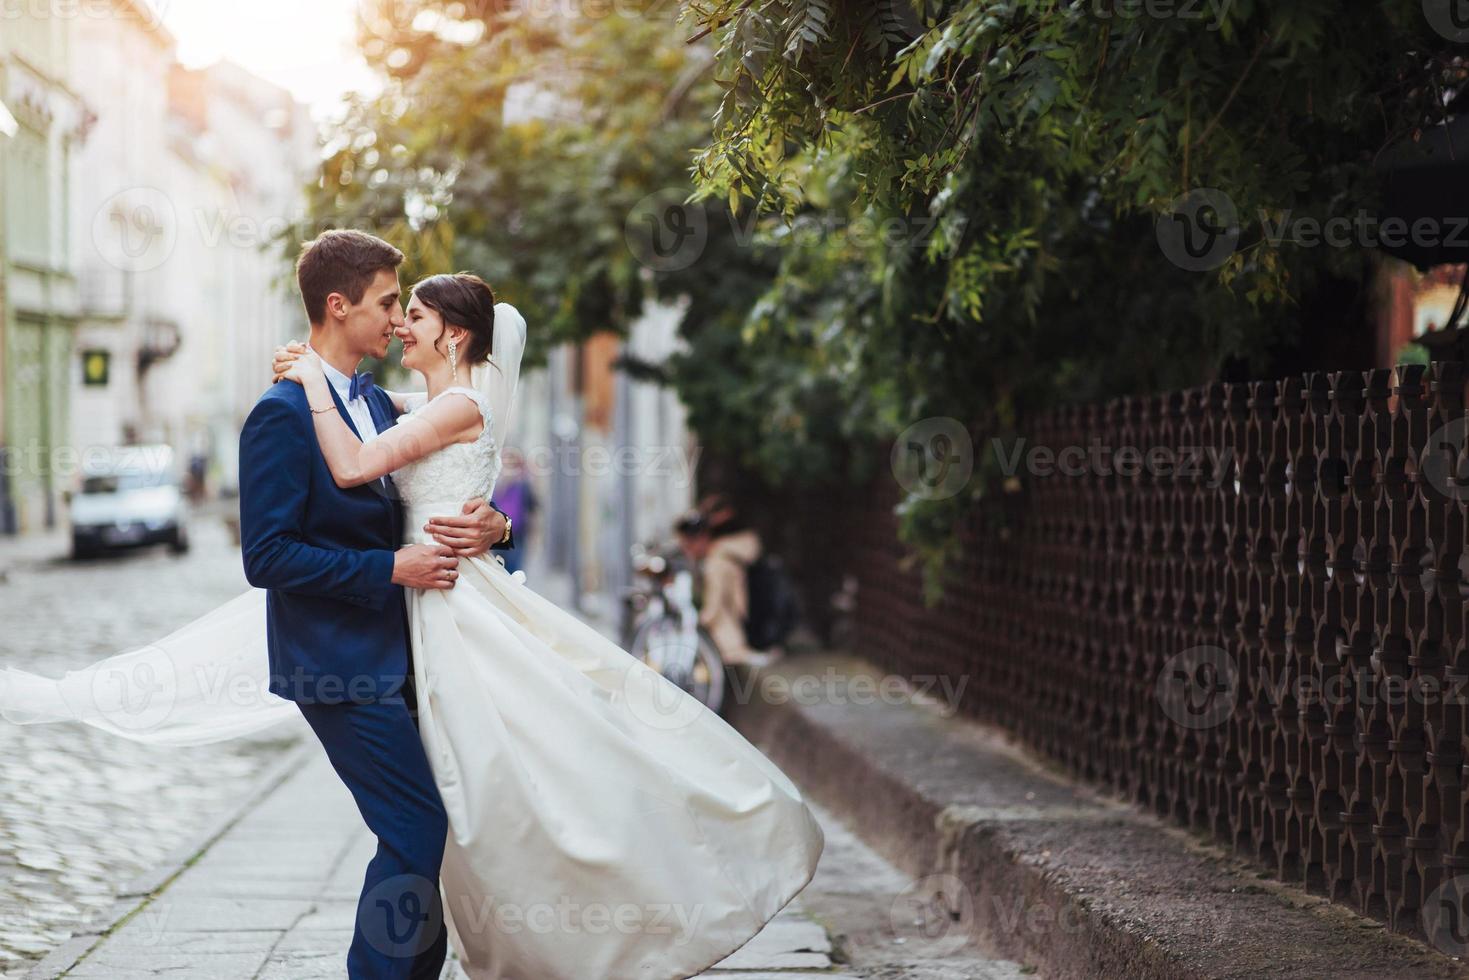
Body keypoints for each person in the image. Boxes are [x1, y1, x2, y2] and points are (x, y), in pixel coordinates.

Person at [0, 235, 825, 980]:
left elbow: (437, 475)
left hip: (411, 652)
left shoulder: (371, 400)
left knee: (445, 825)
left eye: (408, 307)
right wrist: (388, 566)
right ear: (340, 306)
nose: (398, 320)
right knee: (418, 827)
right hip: (337, 666)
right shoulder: (282, 415)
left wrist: (494, 521)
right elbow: (268, 558)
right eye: (389, 302)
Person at [674, 498, 778, 668]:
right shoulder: (729, 550)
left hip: (749, 627)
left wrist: (696, 623)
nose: (686, 550)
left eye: (688, 544)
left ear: (702, 538)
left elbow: (714, 607)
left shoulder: (717, 561)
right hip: (758, 619)